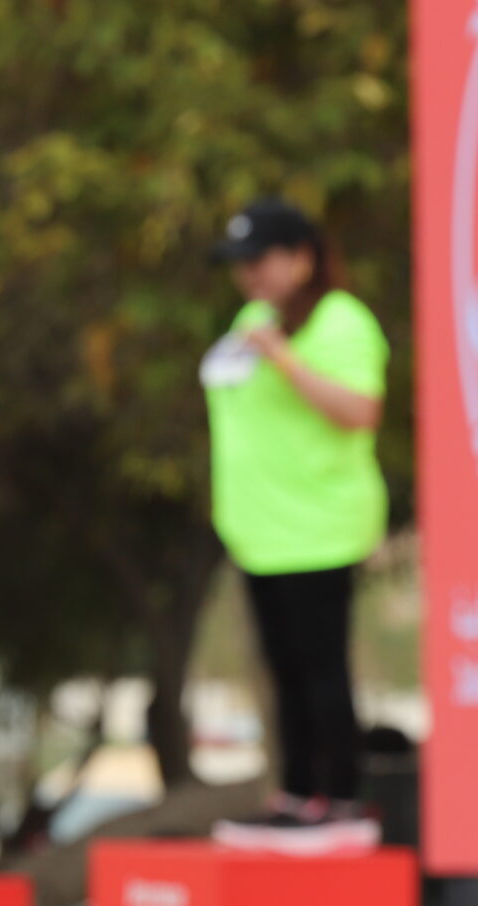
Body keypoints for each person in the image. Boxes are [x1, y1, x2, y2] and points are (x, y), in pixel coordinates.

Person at [203, 195, 390, 852]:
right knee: (282, 671)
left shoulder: (342, 321)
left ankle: (339, 798)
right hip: (261, 531)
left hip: (320, 529)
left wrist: (283, 358)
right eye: (241, 264)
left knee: (322, 669)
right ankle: (294, 793)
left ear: (302, 259)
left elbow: (359, 410)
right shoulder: (252, 320)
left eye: (261, 260)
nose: (249, 275)